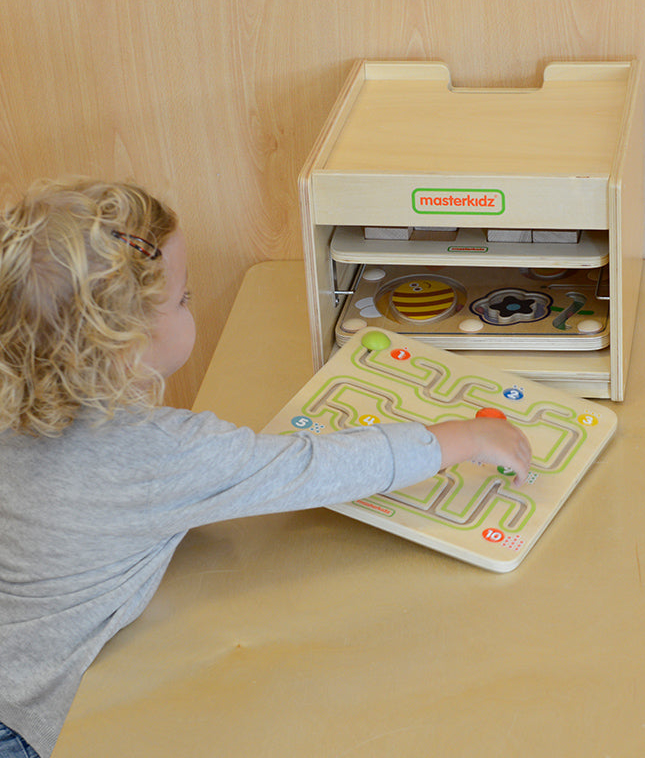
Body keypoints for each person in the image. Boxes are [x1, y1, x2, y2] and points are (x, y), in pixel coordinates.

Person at [0, 178, 531, 758]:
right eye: (182, 299)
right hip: (21, 719)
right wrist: (463, 436)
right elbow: (310, 467)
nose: (191, 303)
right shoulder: (160, 454)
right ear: (127, 343)